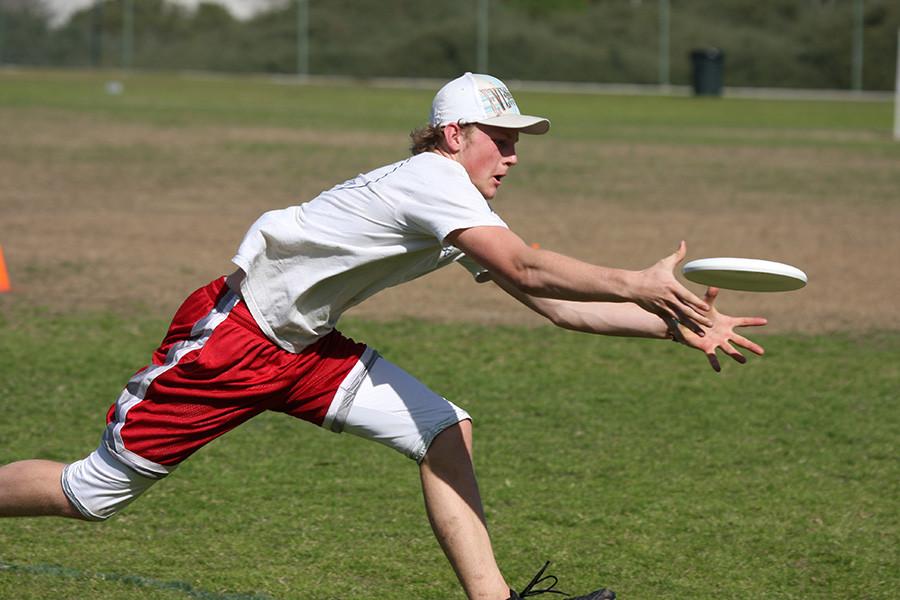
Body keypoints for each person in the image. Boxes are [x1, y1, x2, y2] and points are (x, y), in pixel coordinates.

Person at [0, 72, 767, 600]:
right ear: (453, 133)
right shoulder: (434, 182)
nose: (513, 154)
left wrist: (678, 324)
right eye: (500, 137)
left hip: (304, 349)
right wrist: (638, 280)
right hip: (232, 341)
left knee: (445, 427)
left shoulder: (452, 205)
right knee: (91, 493)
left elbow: (557, 308)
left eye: (519, 139)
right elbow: (532, 272)